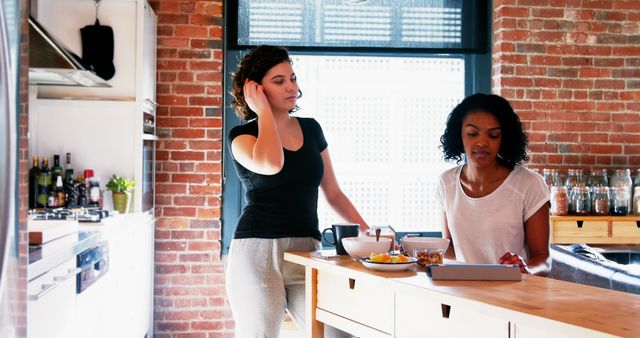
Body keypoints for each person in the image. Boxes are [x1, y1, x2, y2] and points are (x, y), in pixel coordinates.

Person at [225, 45, 369, 338]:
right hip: (258, 251)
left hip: (308, 249)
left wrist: (370, 233)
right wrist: (263, 111)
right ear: (256, 90)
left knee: (338, 334)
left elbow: (334, 193)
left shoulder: (312, 129)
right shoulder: (241, 136)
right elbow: (271, 162)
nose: (291, 86)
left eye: (292, 78)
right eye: (279, 81)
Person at [437, 93, 550, 276]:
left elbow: (543, 259)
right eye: (472, 134)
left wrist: (526, 269)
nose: (482, 142)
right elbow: (449, 249)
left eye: (493, 135)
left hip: (512, 296)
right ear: (459, 135)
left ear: (504, 138)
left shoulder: (528, 184)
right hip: (464, 297)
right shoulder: (446, 182)